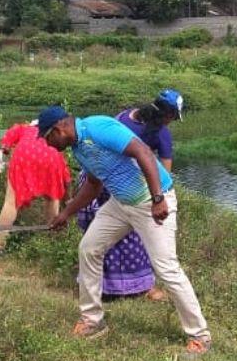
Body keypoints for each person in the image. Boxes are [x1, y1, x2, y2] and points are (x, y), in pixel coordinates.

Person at [41, 105, 212, 354]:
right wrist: (65, 213)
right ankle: (92, 321)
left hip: (151, 201)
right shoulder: (79, 148)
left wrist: (157, 199)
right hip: (121, 204)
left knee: (166, 268)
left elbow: (142, 151)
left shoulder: (97, 127)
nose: (48, 144)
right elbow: (94, 184)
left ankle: (200, 336)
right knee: (89, 248)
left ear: (59, 129)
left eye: (47, 138)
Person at [77, 90, 184, 300]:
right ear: (170, 115)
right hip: (126, 188)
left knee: (95, 241)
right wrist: (159, 199)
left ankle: (99, 289)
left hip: (94, 178)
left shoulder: (125, 116)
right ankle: (137, 287)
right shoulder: (161, 134)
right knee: (134, 238)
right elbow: (165, 174)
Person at [0, 121, 70, 252]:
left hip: (24, 155)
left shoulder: (24, 128)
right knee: (52, 199)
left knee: (11, 203)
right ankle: (53, 243)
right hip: (51, 157)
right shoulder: (54, 134)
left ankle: (0, 246)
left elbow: (9, 136)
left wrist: (2, 151)